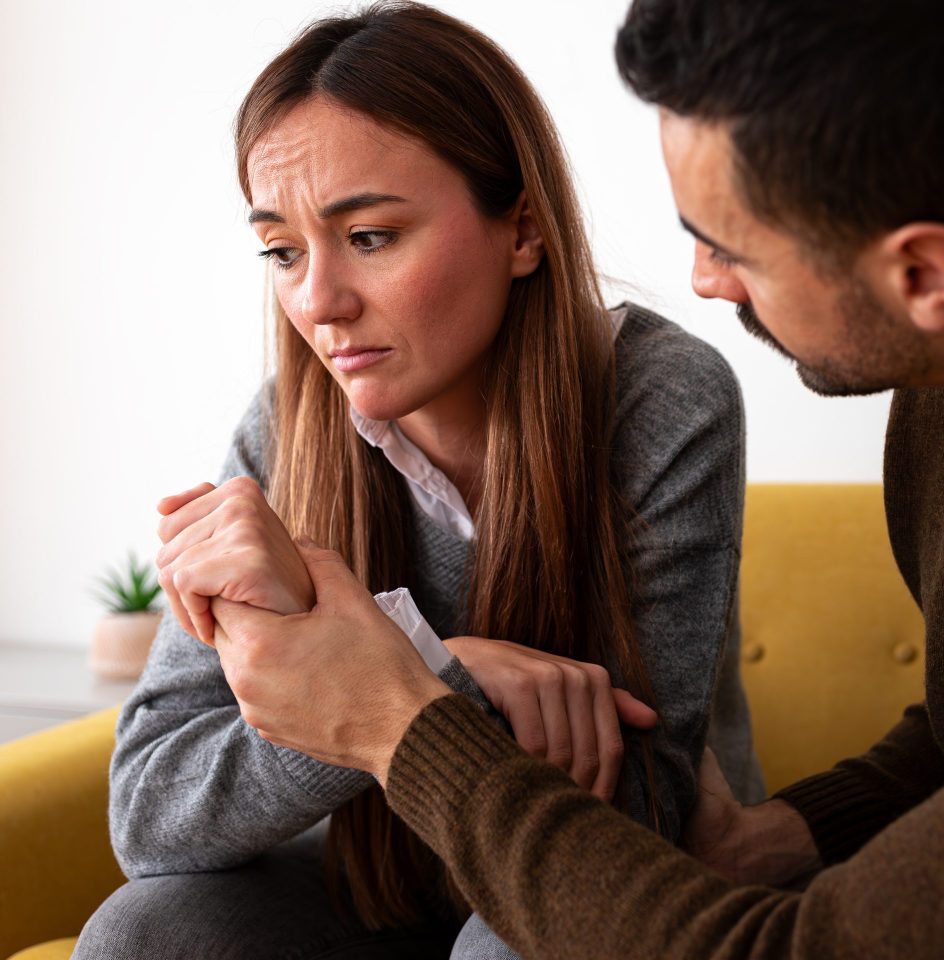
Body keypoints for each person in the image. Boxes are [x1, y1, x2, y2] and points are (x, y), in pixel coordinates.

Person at [154, 0, 944, 957]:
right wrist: (800, 826)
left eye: (730, 244)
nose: (704, 284)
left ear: (925, 274)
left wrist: (396, 712)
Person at [76, 4, 764, 959]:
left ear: (522, 231)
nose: (318, 301)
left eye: (370, 236)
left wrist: (396, 682)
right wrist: (452, 667)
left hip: (590, 885)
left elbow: (644, 800)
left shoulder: (660, 399)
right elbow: (150, 813)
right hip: (369, 882)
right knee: (146, 933)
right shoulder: (282, 429)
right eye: (281, 250)